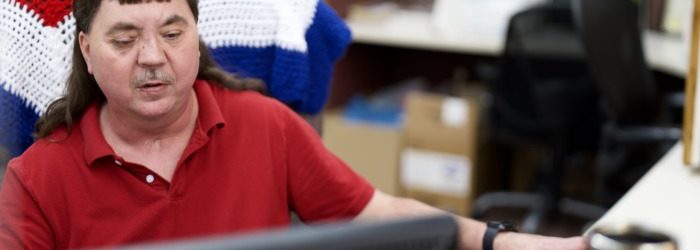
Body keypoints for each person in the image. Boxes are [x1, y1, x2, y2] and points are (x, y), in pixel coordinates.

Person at [0, 0, 587, 249]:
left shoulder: (263, 124)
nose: (152, 56)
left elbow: (372, 214)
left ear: (196, 36)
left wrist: (498, 239)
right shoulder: (37, 179)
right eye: (124, 39)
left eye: (173, 32)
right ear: (85, 48)